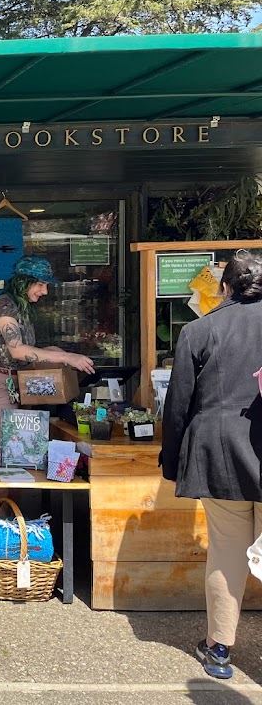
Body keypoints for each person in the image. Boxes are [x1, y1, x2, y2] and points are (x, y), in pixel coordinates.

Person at [160, 252, 262, 680]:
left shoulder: (200, 330)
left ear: (225, 287)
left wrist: (170, 461)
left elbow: (178, 404)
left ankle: (219, 648)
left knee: (226, 552)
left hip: (221, 454)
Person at [0, 255, 95, 463]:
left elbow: (26, 351)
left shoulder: (21, 308)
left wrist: (55, 354)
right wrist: (66, 356)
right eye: (40, 284)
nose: (44, 291)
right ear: (23, 281)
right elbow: (18, 351)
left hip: (14, 384)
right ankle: (2, 497)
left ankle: (10, 497)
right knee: (6, 460)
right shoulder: (5, 305)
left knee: (20, 460)